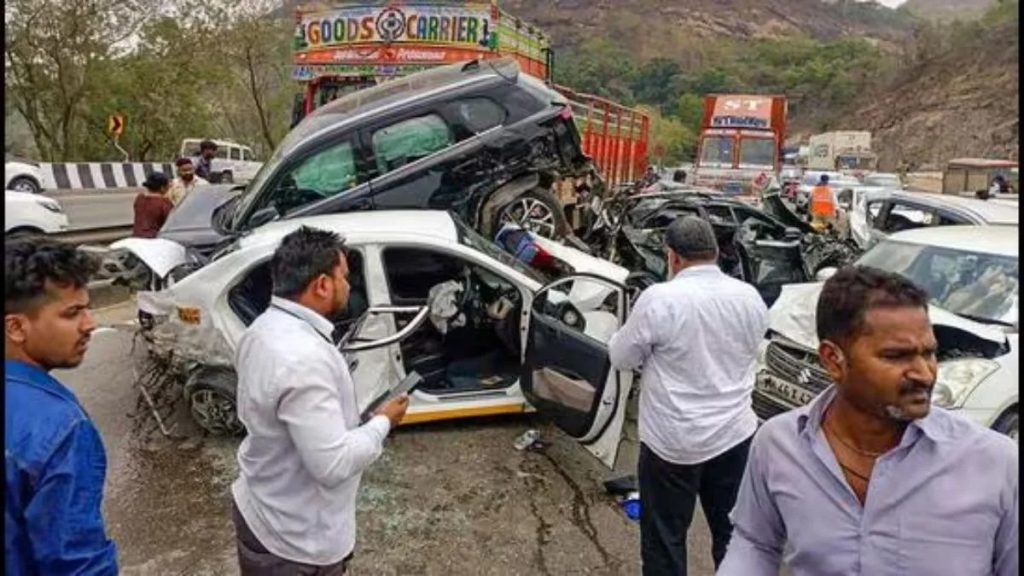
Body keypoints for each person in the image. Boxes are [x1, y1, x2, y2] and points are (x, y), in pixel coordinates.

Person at [719, 266, 1018, 576]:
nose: (924, 373)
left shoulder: (994, 463)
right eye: (896, 356)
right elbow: (754, 542)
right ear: (833, 360)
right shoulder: (779, 444)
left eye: (929, 353)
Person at [231, 226, 409, 575]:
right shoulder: (304, 358)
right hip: (295, 541)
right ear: (322, 285)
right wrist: (383, 422)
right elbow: (332, 464)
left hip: (263, 506)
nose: (349, 286)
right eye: (344, 277)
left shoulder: (261, 329)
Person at [608, 216, 769, 576]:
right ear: (714, 252)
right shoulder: (750, 297)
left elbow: (621, 357)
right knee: (734, 536)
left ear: (673, 257)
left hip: (673, 444)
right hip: (735, 438)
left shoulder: (660, 299)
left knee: (665, 540)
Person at [5, 239, 118, 574]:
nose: (89, 324)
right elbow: (78, 564)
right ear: (16, 327)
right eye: (72, 313)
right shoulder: (59, 426)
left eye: (87, 308)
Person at [132, 171, 174, 238]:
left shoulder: (140, 198)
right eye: (168, 185)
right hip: (154, 238)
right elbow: (172, 222)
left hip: (137, 237)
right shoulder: (165, 203)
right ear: (162, 188)